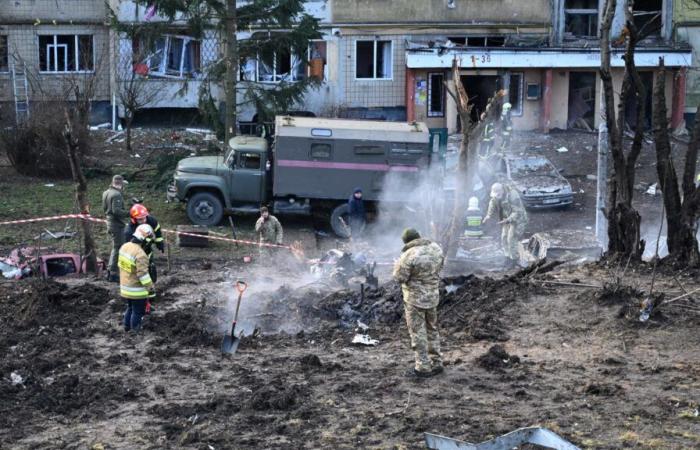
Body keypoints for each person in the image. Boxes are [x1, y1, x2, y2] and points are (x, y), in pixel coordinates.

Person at [392, 228, 445, 378]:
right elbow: (440, 267)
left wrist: (396, 265)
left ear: (406, 242)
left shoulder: (408, 255)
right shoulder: (436, 248)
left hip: (415, 300)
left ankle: (423, 367)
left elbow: (399, 277)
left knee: (418, 332)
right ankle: (437, 362)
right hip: (433, 296)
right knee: (432, 329)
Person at [118, 224, 156, 332]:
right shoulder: (141, 254)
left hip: (125, 286)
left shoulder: (125, 246)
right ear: (145, 240)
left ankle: (126, 327)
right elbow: (142, 275)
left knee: (130, 307)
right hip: (136, 290)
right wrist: (150, 288)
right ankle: (135, 331)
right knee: (138, 311)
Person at [483, 182, 528, 267]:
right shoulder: (497, 195)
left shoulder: (512, 195)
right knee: (504, 238)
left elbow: (517, 211)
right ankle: (507, 257)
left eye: (498, 194)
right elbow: (492, 202)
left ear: (502, 190)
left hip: (518, 219)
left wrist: (508, 220)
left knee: (511, 239)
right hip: (506, 219)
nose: (496, 196)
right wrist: (488, 215)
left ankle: (514, 260)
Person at [124, 204, 164, 282]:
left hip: (148, 248)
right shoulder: (129, 231)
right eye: (140, 219)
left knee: (151, 270)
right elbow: (131, 248)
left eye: (144, 218)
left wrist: (159, 242)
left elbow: (157, 230)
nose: (143, 221)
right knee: (140, 273)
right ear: (134, 219)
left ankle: (152, 280)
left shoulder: (151, 220)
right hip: (136, 253)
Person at [102, 175, 130, 282]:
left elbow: (105, 209)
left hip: (110, 222)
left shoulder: (106, 192)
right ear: (120, 183)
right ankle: (113, 273)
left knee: (116, 247)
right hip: (116, 224)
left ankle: (110, 271)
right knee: (119, 248)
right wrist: (130, 213)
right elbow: (116, 211)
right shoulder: (116, 194)